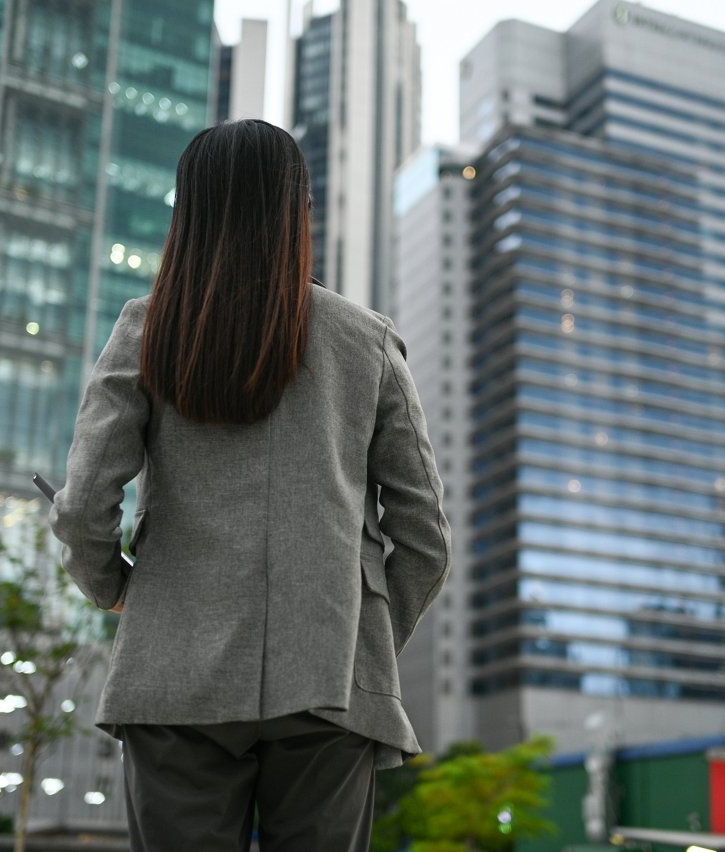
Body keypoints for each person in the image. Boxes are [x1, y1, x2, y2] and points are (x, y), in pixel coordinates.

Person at [49, 119, 450, 851]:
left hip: (173, 671)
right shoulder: (366, 340)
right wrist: (358, 645)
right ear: (300, 211)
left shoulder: (146, 329)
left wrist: (117, 590)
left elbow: (80, 511)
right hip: (331, 682)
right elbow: (425, 538)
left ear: (188, 215)